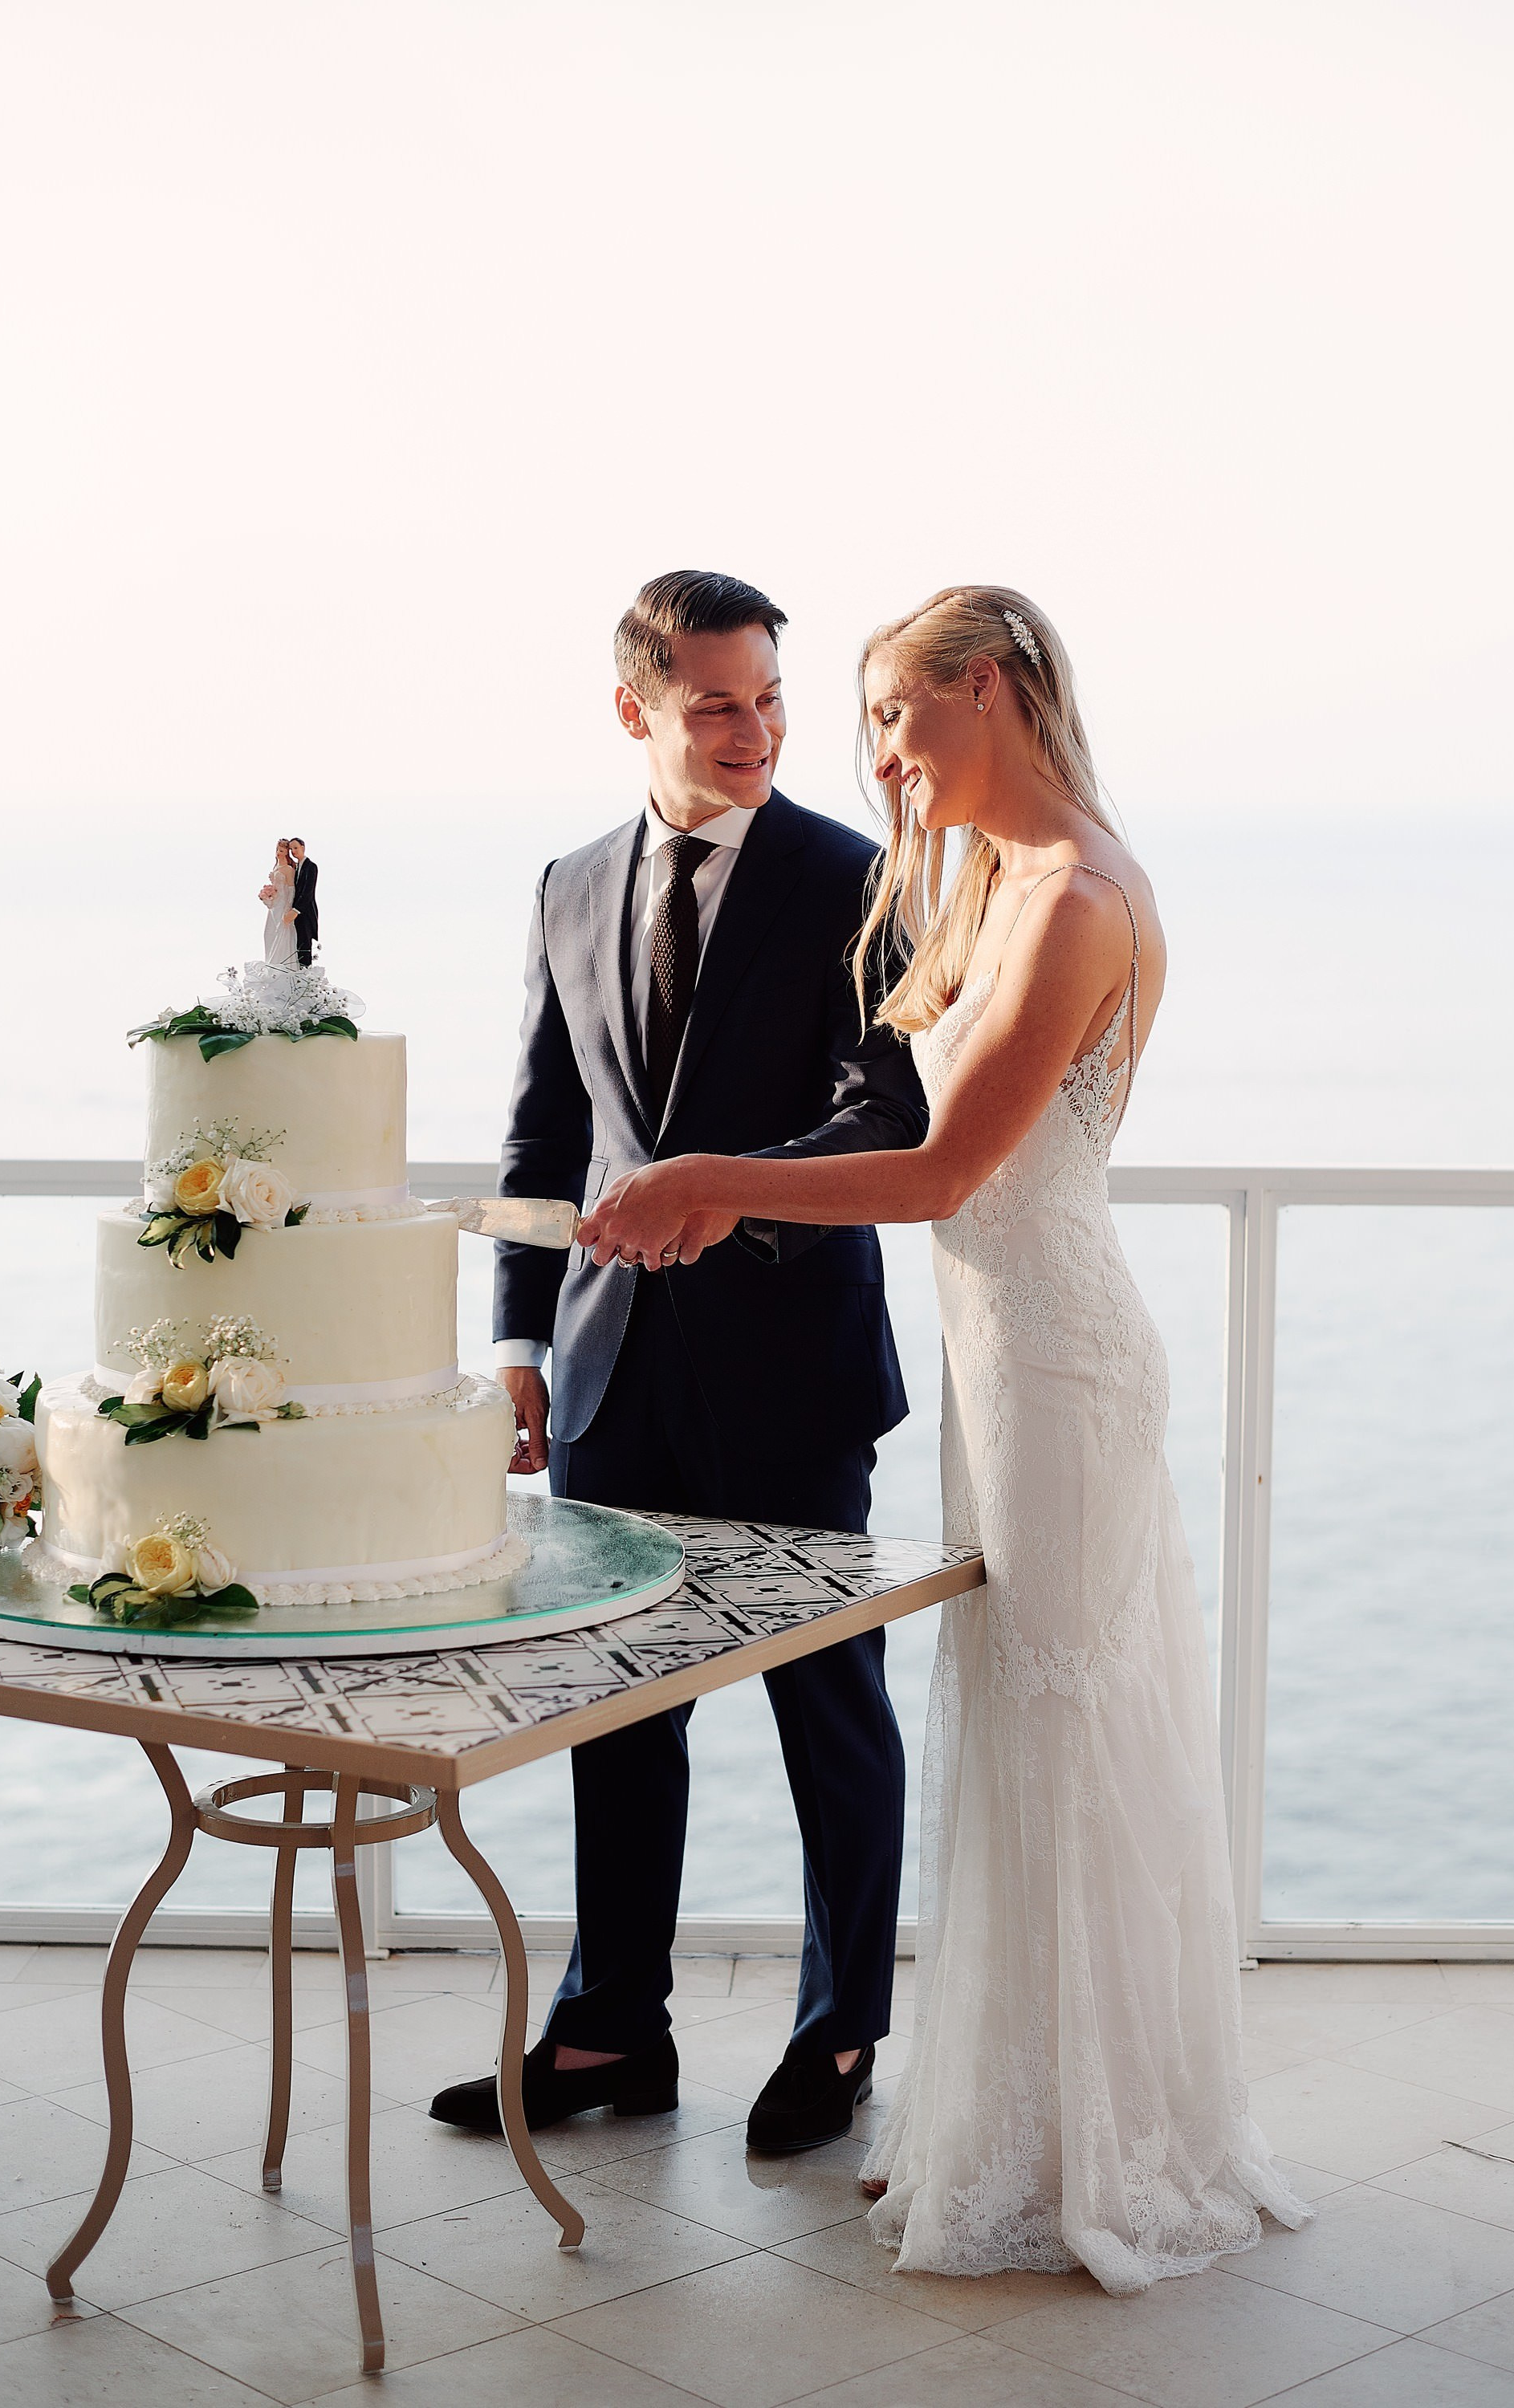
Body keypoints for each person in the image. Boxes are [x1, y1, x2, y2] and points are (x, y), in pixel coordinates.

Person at [576, 586, 1311, 2292]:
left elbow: (933, 1176)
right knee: (1008, 1722)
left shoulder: (1077, 900)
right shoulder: (982, 881)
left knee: (1062, 1722)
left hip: (1060, 1361)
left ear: (986, 692)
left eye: (898, 721)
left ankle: (1099, 2149)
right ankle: (1010, 2117)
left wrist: (710, 1184)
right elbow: (876, 1079)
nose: (881, 762)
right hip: (995, 1362)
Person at [429, 570, 927, 2154]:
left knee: (825, 1710)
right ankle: (606, 2034)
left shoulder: (856, 877)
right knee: (615, 1713)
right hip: (602, 1378)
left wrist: (721, 1191)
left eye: (769, 697)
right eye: (717, 701)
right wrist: (516, 1341)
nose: (755, 730)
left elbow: (886, 1115)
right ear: (636, 706)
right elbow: (543, 1133)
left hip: (790, 1369)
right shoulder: (567, 883)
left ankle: (840, 2033)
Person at [258, 839, 297, 966]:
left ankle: (280, 965)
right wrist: (268, 896)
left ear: (286, 852)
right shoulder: (276, 867)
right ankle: (271, 964)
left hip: (283, 905)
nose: (278, 853)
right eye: (277, 850)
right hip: (274, 905)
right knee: (269, 933)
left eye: (281, 851)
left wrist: (288, 908)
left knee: (281, 932)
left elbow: (291, 889)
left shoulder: (288, 869)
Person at [288, 838, 318, 965]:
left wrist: (296, 910)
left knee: (305, 945)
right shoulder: (295, 868)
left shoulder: (311, 867)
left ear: (303, 847)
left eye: (295, 848)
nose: (293, 852)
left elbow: (308, 892)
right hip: (296, 913)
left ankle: (306, 975)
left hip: (305, 912)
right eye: (291, 849)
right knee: (297, 944)